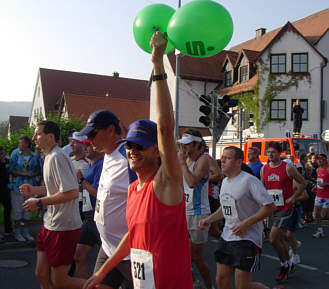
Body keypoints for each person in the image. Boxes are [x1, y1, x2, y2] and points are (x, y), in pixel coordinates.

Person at [83, 31, 193, 289]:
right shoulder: (134, 188)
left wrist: (157, 64)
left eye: (141, 146)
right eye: (130, 145)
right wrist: (102, 272)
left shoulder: (165, 183)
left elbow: (166, 127)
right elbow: (132, 235)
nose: (133, 150)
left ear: (156, 151)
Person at [199, 146, 276, 289]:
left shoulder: (249, 181)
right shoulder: (225, 182)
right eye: (222, 158)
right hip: (227, 235)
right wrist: (208, 220)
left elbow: (270, 206)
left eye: (228, 158)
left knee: (243, 286)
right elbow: (225, 207)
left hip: (247, 238)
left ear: (238, 162)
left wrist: (245, 224)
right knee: (221, 280)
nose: (222, 161)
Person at [77, 108, 136, 289]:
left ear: (111, 130)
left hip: (129, 254)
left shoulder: (129, 160)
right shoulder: (107, 156)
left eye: (93, 134)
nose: (89, 140)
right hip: (108, 247)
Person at [20, 120, 83, 289]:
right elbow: (57, 187)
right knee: (41, 274)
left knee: (60, 281)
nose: (34, 138)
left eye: (38, 134)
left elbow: (72, 192)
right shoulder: (49, 156)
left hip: (64, 226)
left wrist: (39, 202)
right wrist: (34, 190)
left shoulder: (57, 157)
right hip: (51, 224)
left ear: (50, 137)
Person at [261, 141, 307, 282]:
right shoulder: (264, 169)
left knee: (273, 238)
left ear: (279, 153)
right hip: (272, 208)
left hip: (285, 208)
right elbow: (262, 187)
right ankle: (288, 263)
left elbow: (303, 183)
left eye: (273, 152)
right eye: (268, 152)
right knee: (279, 239)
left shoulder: (288, 168)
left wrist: (293, 197)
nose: (270, 155)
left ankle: (284, 265)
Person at [177, 130, 212, 289]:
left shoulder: (202, 160)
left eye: (188, 144)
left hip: (198, 214)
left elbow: (192, 183)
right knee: (181, 255)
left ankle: (209, 285)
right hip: (183, 212)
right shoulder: (184, 159)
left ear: (198, 144)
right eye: (182, 144)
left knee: (197, 258)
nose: (183, 147)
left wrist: (182, 163)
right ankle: (192, 283)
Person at [74, 140, 103, 278]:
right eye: (84, 145)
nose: (85, 148)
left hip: (99, 219)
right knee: (78, 256)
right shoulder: (91, 165)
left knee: (113, 261)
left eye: (88, 145)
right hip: (88, 218)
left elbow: (98, 193)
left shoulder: (101, 164)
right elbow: (86, 187)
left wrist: (82, 181)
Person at [9, 135, 40, 242]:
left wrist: (33, 175)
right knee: (17, 210)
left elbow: (38, 170)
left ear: (27, 144)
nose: (19, 145)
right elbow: (11, 169)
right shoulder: (15, 153)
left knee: (28, 209)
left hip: (30, 186)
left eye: (21, 143)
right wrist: (23, 173)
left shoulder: (34, 156)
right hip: (17, 186)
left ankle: (26, 232)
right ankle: (17, 233)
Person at [200, 140, 223, 238]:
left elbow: (219, 175)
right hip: (197, 198)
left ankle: (229, 243)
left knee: (213, 230)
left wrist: (202, 179)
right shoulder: (189, 159)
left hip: (209, 197)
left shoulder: (206, 158)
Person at [312, 153, 329, 238]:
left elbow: (324, 183)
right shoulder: (317, 170)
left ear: (326, 160)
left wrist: (326, 184)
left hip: (327, 196)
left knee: (325, 215)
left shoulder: (328, 169)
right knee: (316, 214)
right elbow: (319, 181)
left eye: (322, 159)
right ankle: (320, 230)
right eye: (319, 159)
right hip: (319, 195)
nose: (320, 160)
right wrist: (315, 187)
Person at [0, 146, 12, 240]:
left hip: (5, 188)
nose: (2, 156)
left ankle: (8, 230)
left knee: (8, 209)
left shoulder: (7, 161)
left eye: (3, 153)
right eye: (1, 154)